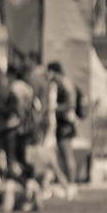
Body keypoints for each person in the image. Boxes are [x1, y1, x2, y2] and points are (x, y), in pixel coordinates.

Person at [46, 62, 81, 197]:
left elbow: (70, 104)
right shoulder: (61, 84)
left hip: (66, 123)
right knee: (63, 154)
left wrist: (54, 108)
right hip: (64, 122)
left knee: (67, 154)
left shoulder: (65, 84)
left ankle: (71, 185)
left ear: (54, 72)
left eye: (49, 72)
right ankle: (69, 184)